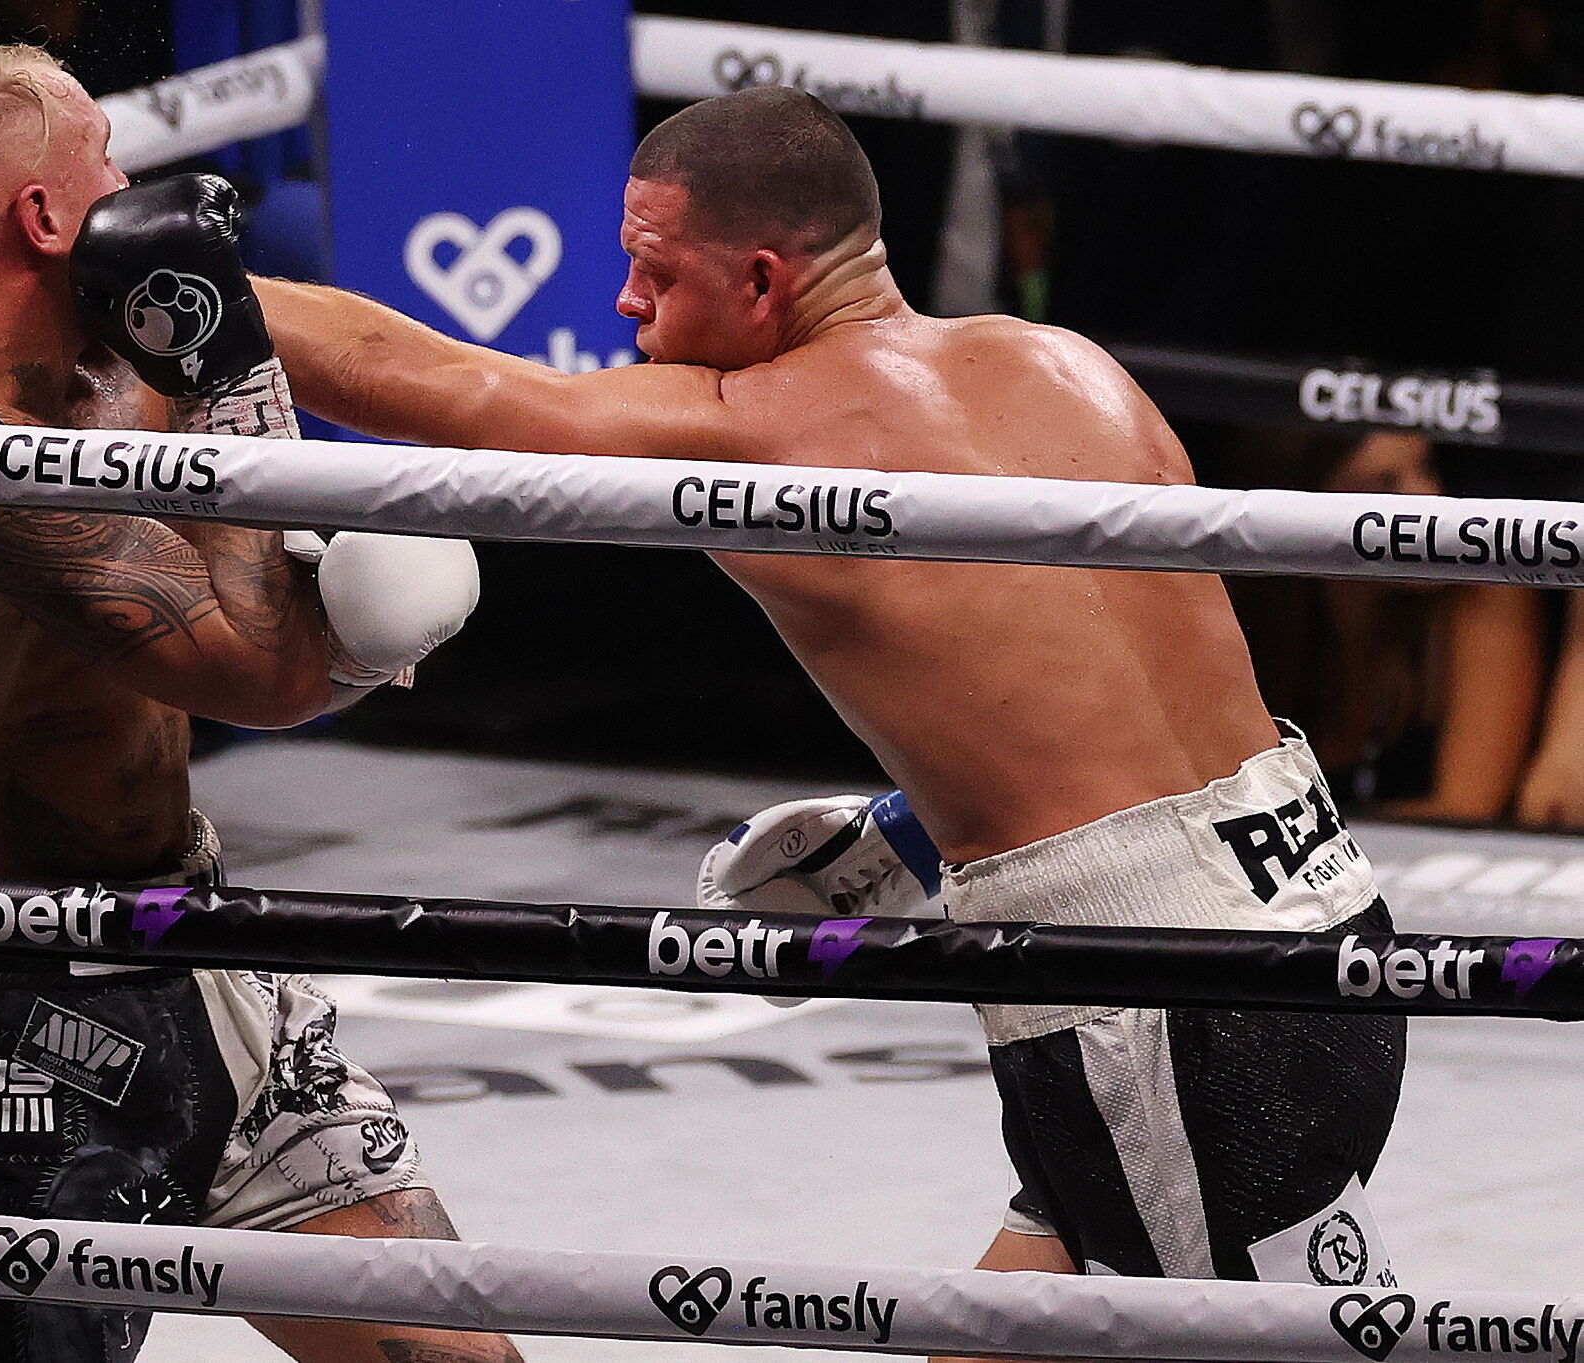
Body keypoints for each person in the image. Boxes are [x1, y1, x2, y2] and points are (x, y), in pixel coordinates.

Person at [211, 86, 1404, 1294]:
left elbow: (435, 384)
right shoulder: (1062, 364)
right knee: (1010, 1322)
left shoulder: (761, 432)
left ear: (764, 281)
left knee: (1265, 1339)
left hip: (1160, 1009)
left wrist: (172, 278)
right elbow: (1106, 691)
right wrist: (925, 830)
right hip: (1314, 912)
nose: (626, 302)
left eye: (653, 271)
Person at [0, 38, 508, 1363]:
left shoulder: (108, 364)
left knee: (443, 1351)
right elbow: (263, 671)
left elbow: (375, 352)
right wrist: (231, 382)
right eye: (106, 159)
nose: (139, 183)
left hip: (198, 937)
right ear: (45, 215)